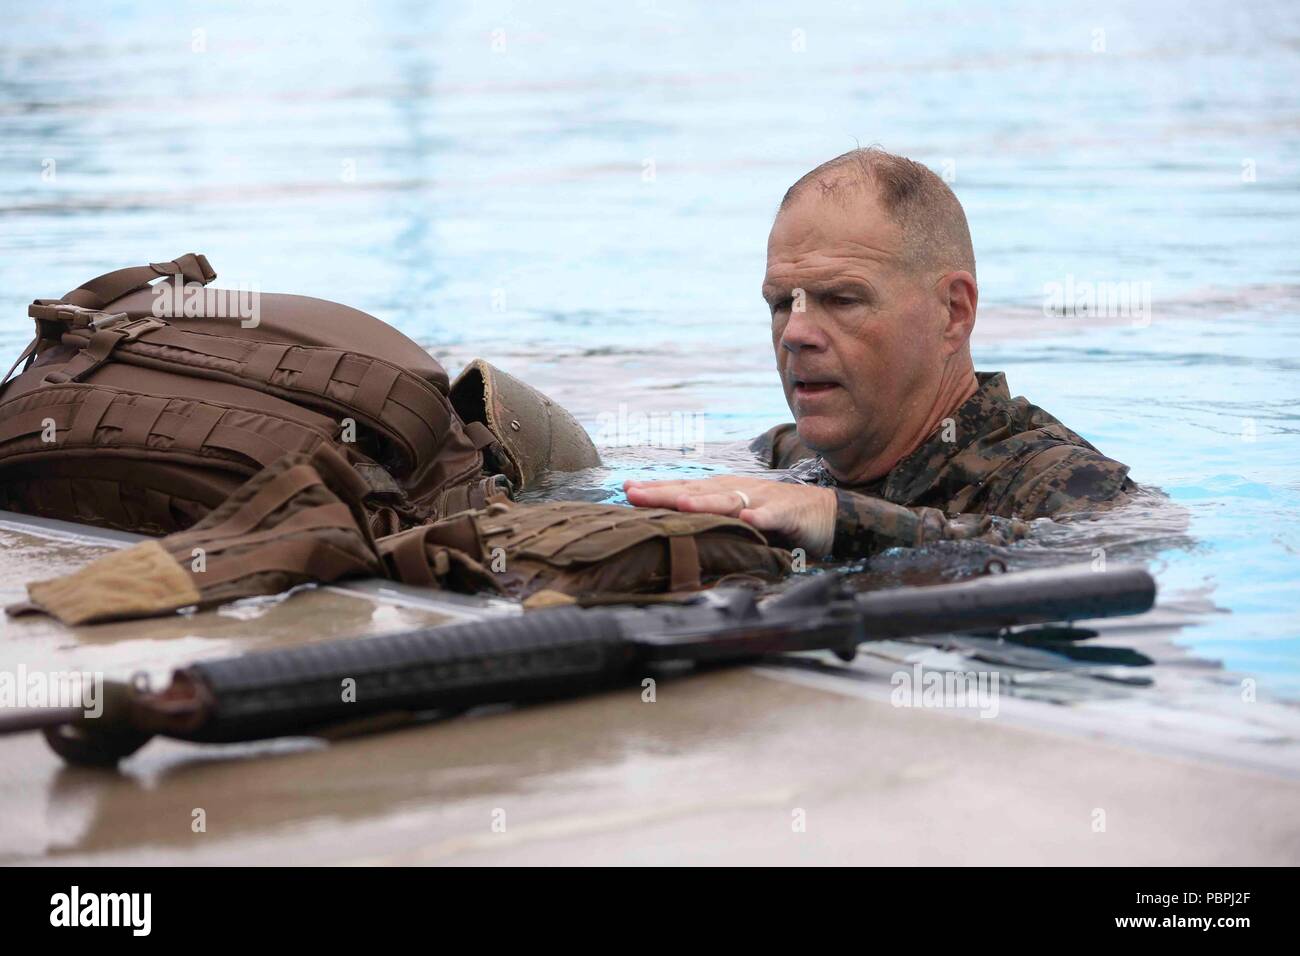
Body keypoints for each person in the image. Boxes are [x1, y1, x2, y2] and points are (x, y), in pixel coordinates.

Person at [625, 148, 1134, 559]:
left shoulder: (1057, 481)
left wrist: (835, 519)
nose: (795, 333)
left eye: (843, 300)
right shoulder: (792, 459)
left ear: (953, 312)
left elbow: (1116, 550)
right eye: (783, 303)